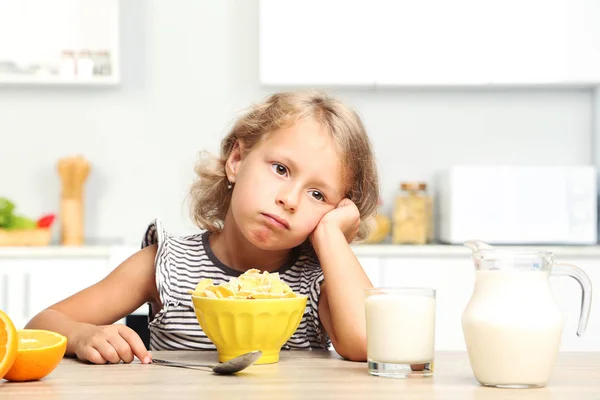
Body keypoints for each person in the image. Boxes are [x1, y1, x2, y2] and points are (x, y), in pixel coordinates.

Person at [26, 90, 380, 364]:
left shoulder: (319, 282)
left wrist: (332, 238)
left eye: (317, 194)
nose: (290, 199)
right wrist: (82, 335)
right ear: (237, 161)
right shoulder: (165, 265)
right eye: (281, 169)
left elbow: (372, 346)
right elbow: (41, 325)